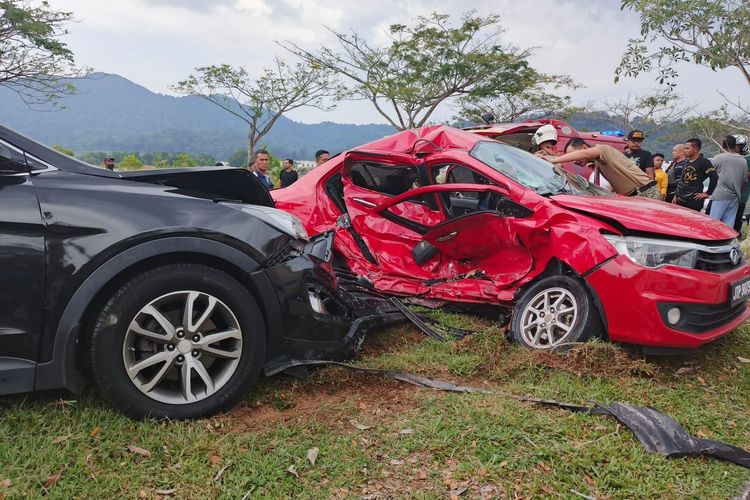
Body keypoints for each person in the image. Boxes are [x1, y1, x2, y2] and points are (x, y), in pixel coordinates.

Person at [545, 138, 659, 199]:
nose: (574, 161)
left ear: (584, 148)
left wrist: (553, 160)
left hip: (645, 192)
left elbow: (586, 154)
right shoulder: (599, 162)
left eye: (575, 155)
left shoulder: (603, 149)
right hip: (634, 195)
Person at [706, 135, 747, 226]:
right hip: (735, 196)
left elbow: (708, 170)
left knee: (713, 223)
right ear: (735, 145)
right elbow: (744, 181)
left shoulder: (719, 158)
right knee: (728, 225)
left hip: (720, 195)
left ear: (723, 145)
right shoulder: (743, 161)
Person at [673, 138, 718, 211]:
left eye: (687, 148)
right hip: (681, 198)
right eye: (685, 148)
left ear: (696, 149)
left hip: (694, 199)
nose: (685, 151)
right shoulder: (687, 162)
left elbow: (714, 177)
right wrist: (676, 195)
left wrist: (708, 193)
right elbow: (682, 180)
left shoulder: (703, 162)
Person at [732, 135, 750, 232]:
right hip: (730, 193)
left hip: (742, 193)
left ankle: (736, 234)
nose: (735, 148)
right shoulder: (733, 157)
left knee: (737, 217)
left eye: (737, 146)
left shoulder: (748, 158)